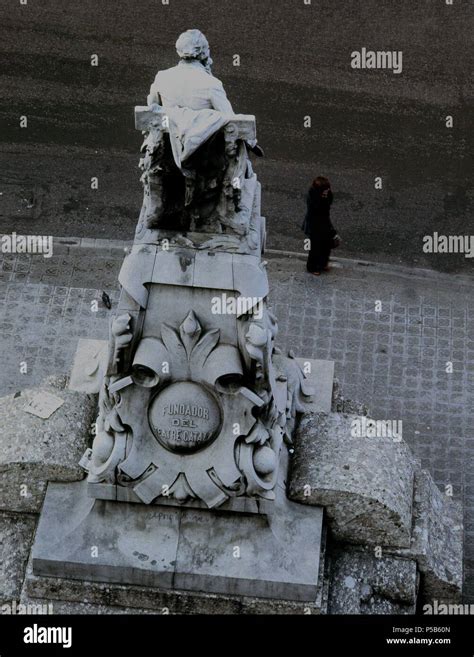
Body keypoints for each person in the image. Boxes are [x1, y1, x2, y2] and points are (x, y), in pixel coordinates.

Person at [303, 176, 338, 276]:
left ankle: (323, 263)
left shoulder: (326, 194)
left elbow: (329, 203)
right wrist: (322, 199)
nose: (328, 191)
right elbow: (316, 209)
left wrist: (325, 197)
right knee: (315, 247)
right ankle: (312, 267)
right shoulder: (313, 196)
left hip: (324, 222)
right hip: (314, 224)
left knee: (326, 245)